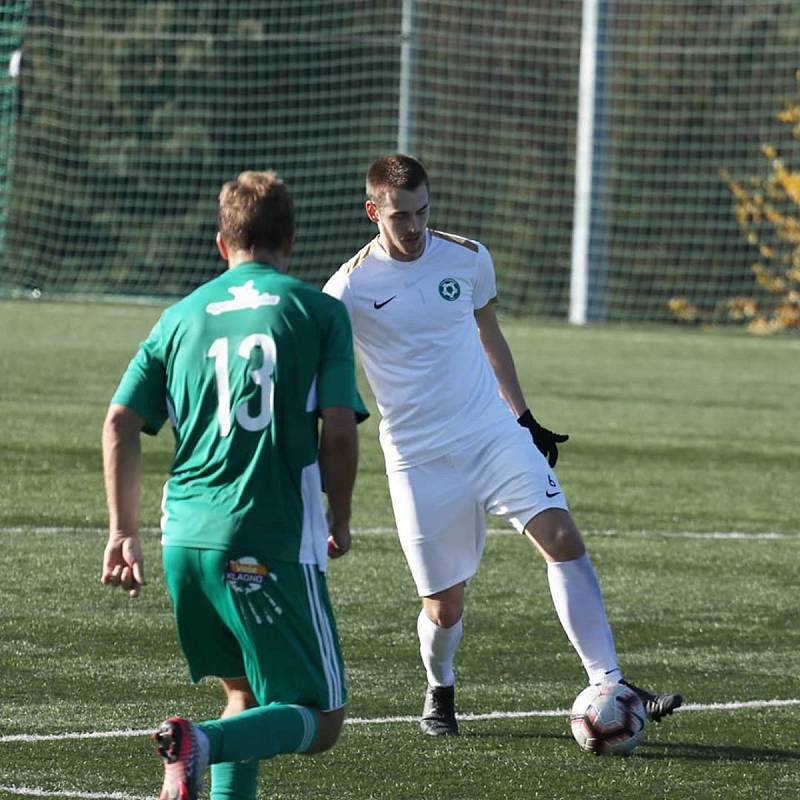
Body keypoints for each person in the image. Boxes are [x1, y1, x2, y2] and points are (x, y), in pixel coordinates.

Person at [323, 154, 682, 736]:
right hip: (417, 459)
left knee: (562, 538)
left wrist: (525, 417)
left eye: (422, 212)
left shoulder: (467, 257)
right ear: (373, 212)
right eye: (399, 217)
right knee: (445, 607)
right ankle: (440, 688)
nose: (414, 227)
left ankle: (608, 680)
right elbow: (327, 372)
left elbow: (489, 331)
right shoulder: (347, 288)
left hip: (490, 433)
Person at [101, 170, 367, 800]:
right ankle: (201, 743)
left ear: (223, 243)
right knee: (321, 718)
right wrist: (341, 510)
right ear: (292, 240)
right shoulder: (319, 312)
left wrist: (122, 532)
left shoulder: (179, 317)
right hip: (265, 536)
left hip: (184, 539)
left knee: (244, 692)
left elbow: (120, 422)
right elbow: (338, 425)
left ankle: (206, 751)